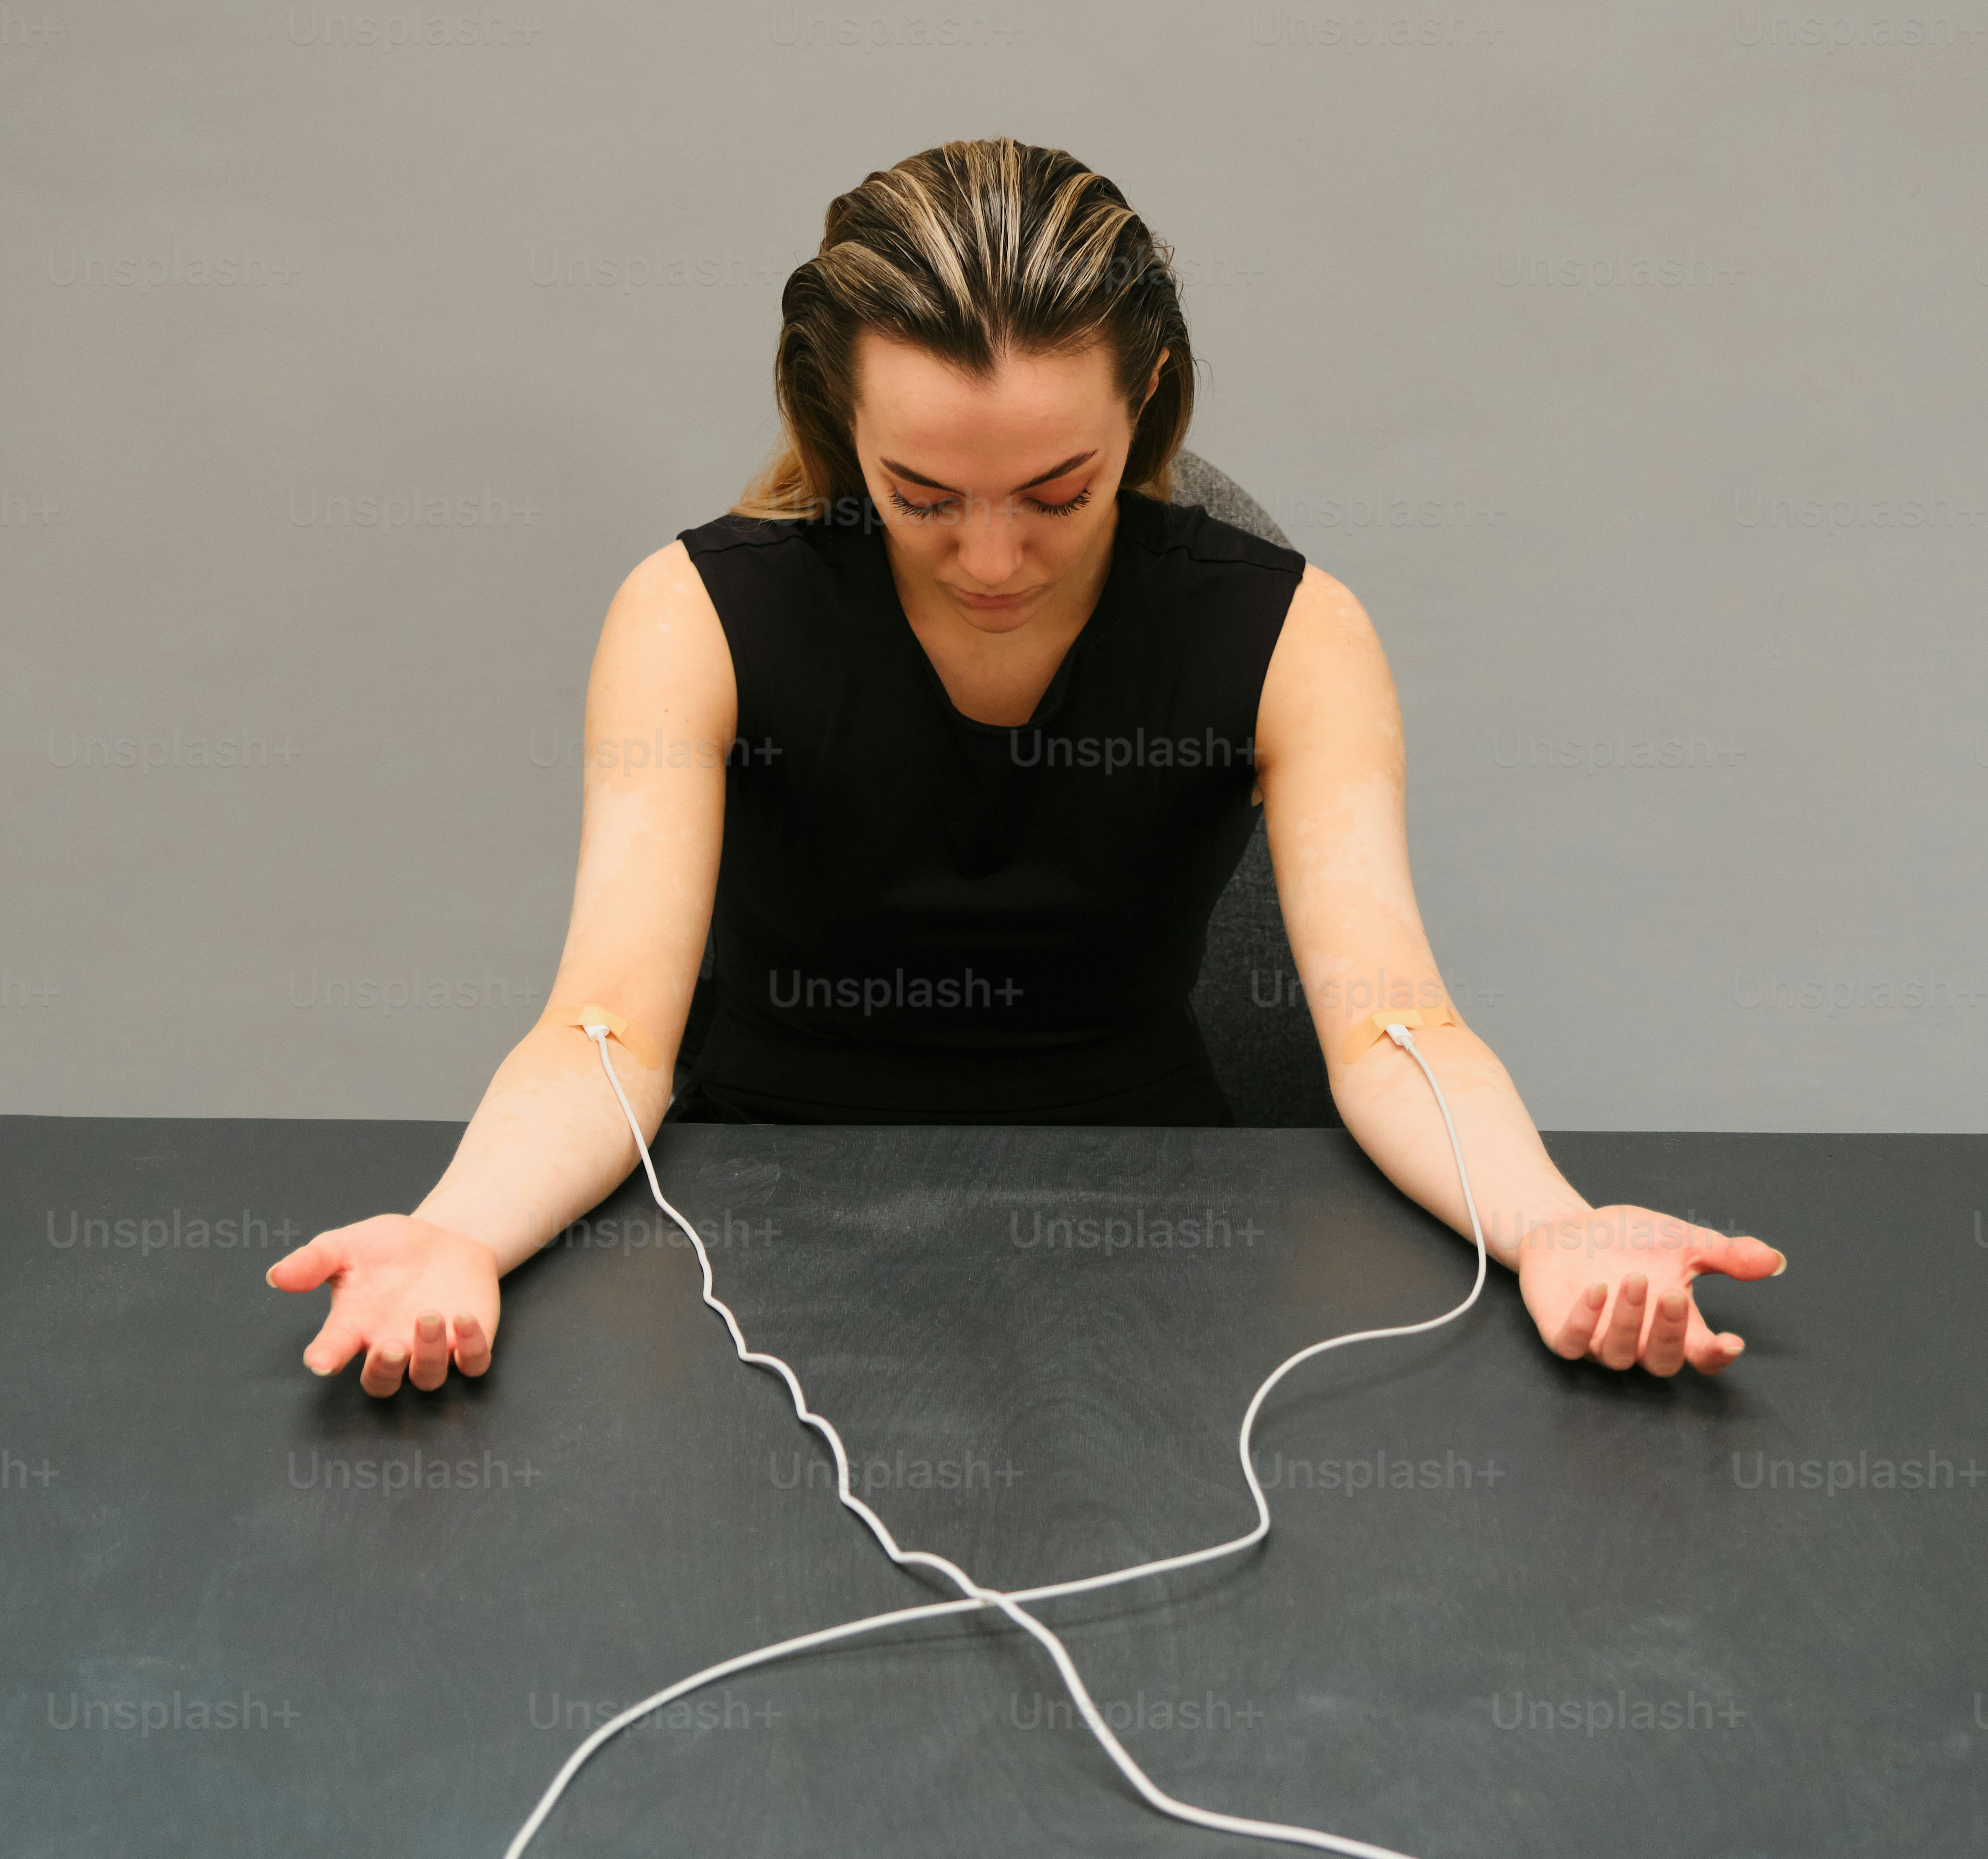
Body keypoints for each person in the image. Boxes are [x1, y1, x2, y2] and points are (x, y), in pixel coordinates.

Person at [268, 139, 1783, 1396]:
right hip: (747, 1223)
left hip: (1160, 1241)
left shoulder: (1291, 634)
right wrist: (455, 1232)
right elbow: (601, 1028)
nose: (993, 559)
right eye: (923, 495)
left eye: (1058, 493)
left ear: (1148, 403)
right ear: (837, 422)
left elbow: (1399, 1028)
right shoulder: (696, 616)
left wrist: (1555, 1228)